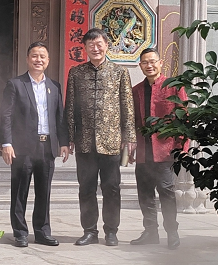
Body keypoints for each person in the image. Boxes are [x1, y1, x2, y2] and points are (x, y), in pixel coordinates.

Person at [65, 28, 135, 247]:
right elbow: (70, 107)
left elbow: (127, 106)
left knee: (111, 189)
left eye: (99, 44)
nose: (95, 48)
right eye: (91, 45)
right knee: (86, 189)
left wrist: (129, 137)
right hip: (85, 142)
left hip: (112, 142)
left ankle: (111, 231)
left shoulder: (119, 72)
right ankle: (89, 231)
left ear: (106, 45)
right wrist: (69, 137)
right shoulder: (76, 73)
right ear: (85, 48)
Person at [0, 42, 70, 248]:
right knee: (19, 192)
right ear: (27, 59)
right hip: (22, 147)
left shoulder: (54, 87)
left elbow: (60, 117)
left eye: (42, 57)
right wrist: (7, 143)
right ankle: (20, 232)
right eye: (34, 56)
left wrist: (63, 142)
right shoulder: (15, 84)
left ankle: (42, 232)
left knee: (44, 192)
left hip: (47, 147)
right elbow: (5, 115)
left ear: (48, 61)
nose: (38, 60)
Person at [129, 48, 187, 250]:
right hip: (144, 152)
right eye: (145, 62)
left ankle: (172, 232)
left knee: (166, 192)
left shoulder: (174, 87)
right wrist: (131, 149)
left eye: (153, 61)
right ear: (140, 66)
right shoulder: (136, 90)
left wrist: (181, 147)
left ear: (161, 63)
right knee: (145, 194)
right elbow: (134, 122)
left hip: (165, 151)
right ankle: (150, 232)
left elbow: (184, 117)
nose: (149, 65)